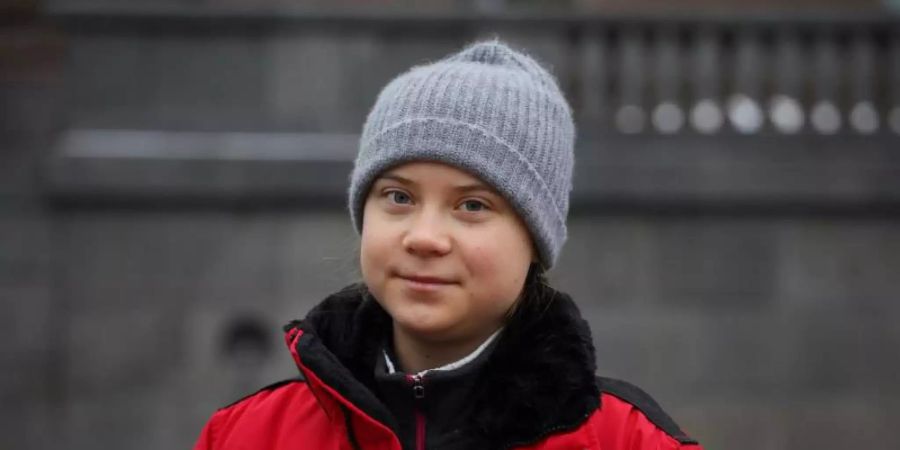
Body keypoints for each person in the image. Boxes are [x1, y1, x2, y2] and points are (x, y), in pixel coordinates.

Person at [194, 39, 703, 450]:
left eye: (473, 206)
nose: (425, 237)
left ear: (535, 239)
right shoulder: (246, 435)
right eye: (398, 196)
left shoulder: (627, 441)